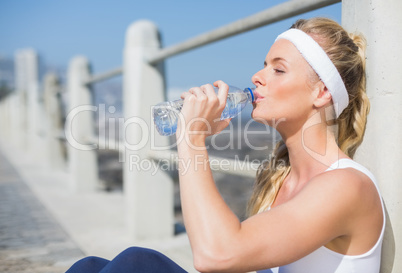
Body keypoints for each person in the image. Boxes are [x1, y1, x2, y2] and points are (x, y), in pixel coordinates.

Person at [66, 17, 384, 273]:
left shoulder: (347, 185)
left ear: (322, 93)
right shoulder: (282, 178)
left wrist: (191, 138)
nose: (257, 76)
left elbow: (216, 255)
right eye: (263, 64)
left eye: (278, 69)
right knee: (94, 266)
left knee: (135, 264)